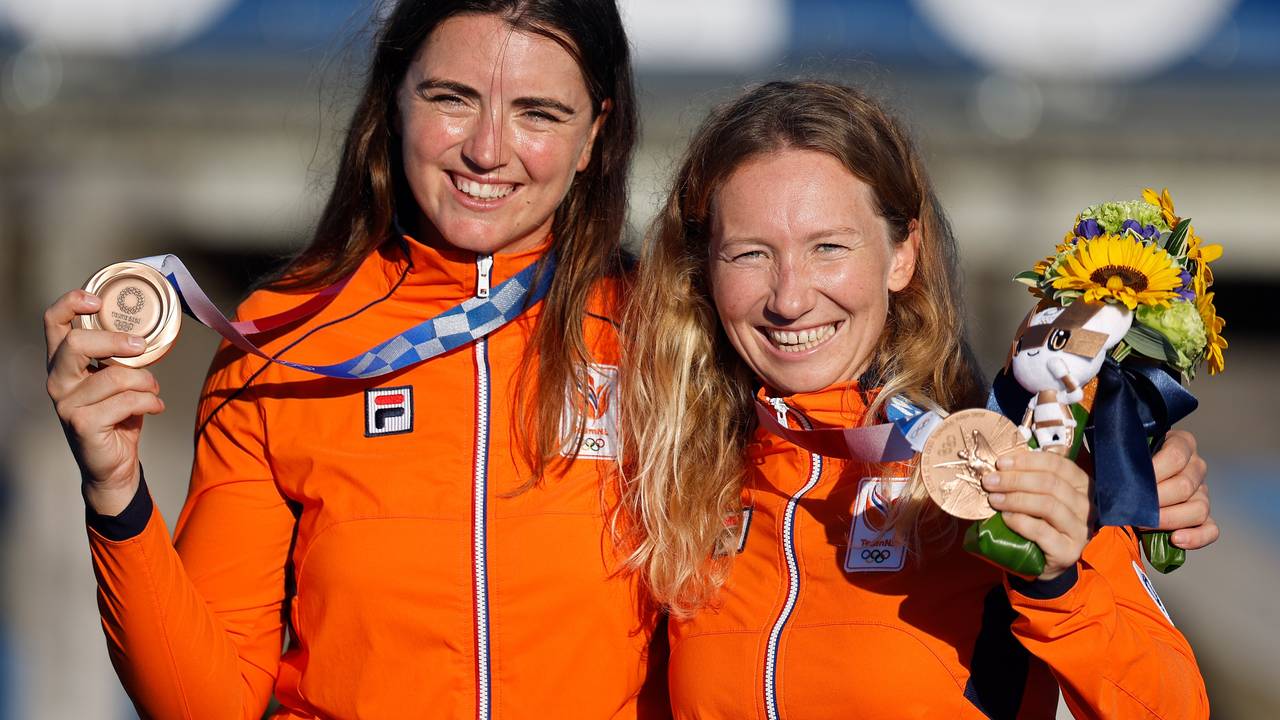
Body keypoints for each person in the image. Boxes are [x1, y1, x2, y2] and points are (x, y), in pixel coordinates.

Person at [43, 2, 668, 718]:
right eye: (452, 99)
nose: (489, 150)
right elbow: (201, 706)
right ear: (394, 100)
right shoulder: (281, 342)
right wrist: (116, 493)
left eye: (540, 113)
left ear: (594, 134)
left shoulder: (667, 339)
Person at [621, 80, 1214, 718]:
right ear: (705, 268)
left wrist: (1059, 583)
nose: (789, 299)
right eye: (750, 253)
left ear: (903, 254)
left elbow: (1170, 706)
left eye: (829, 247)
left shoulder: (1012, 459)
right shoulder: (676, 479)